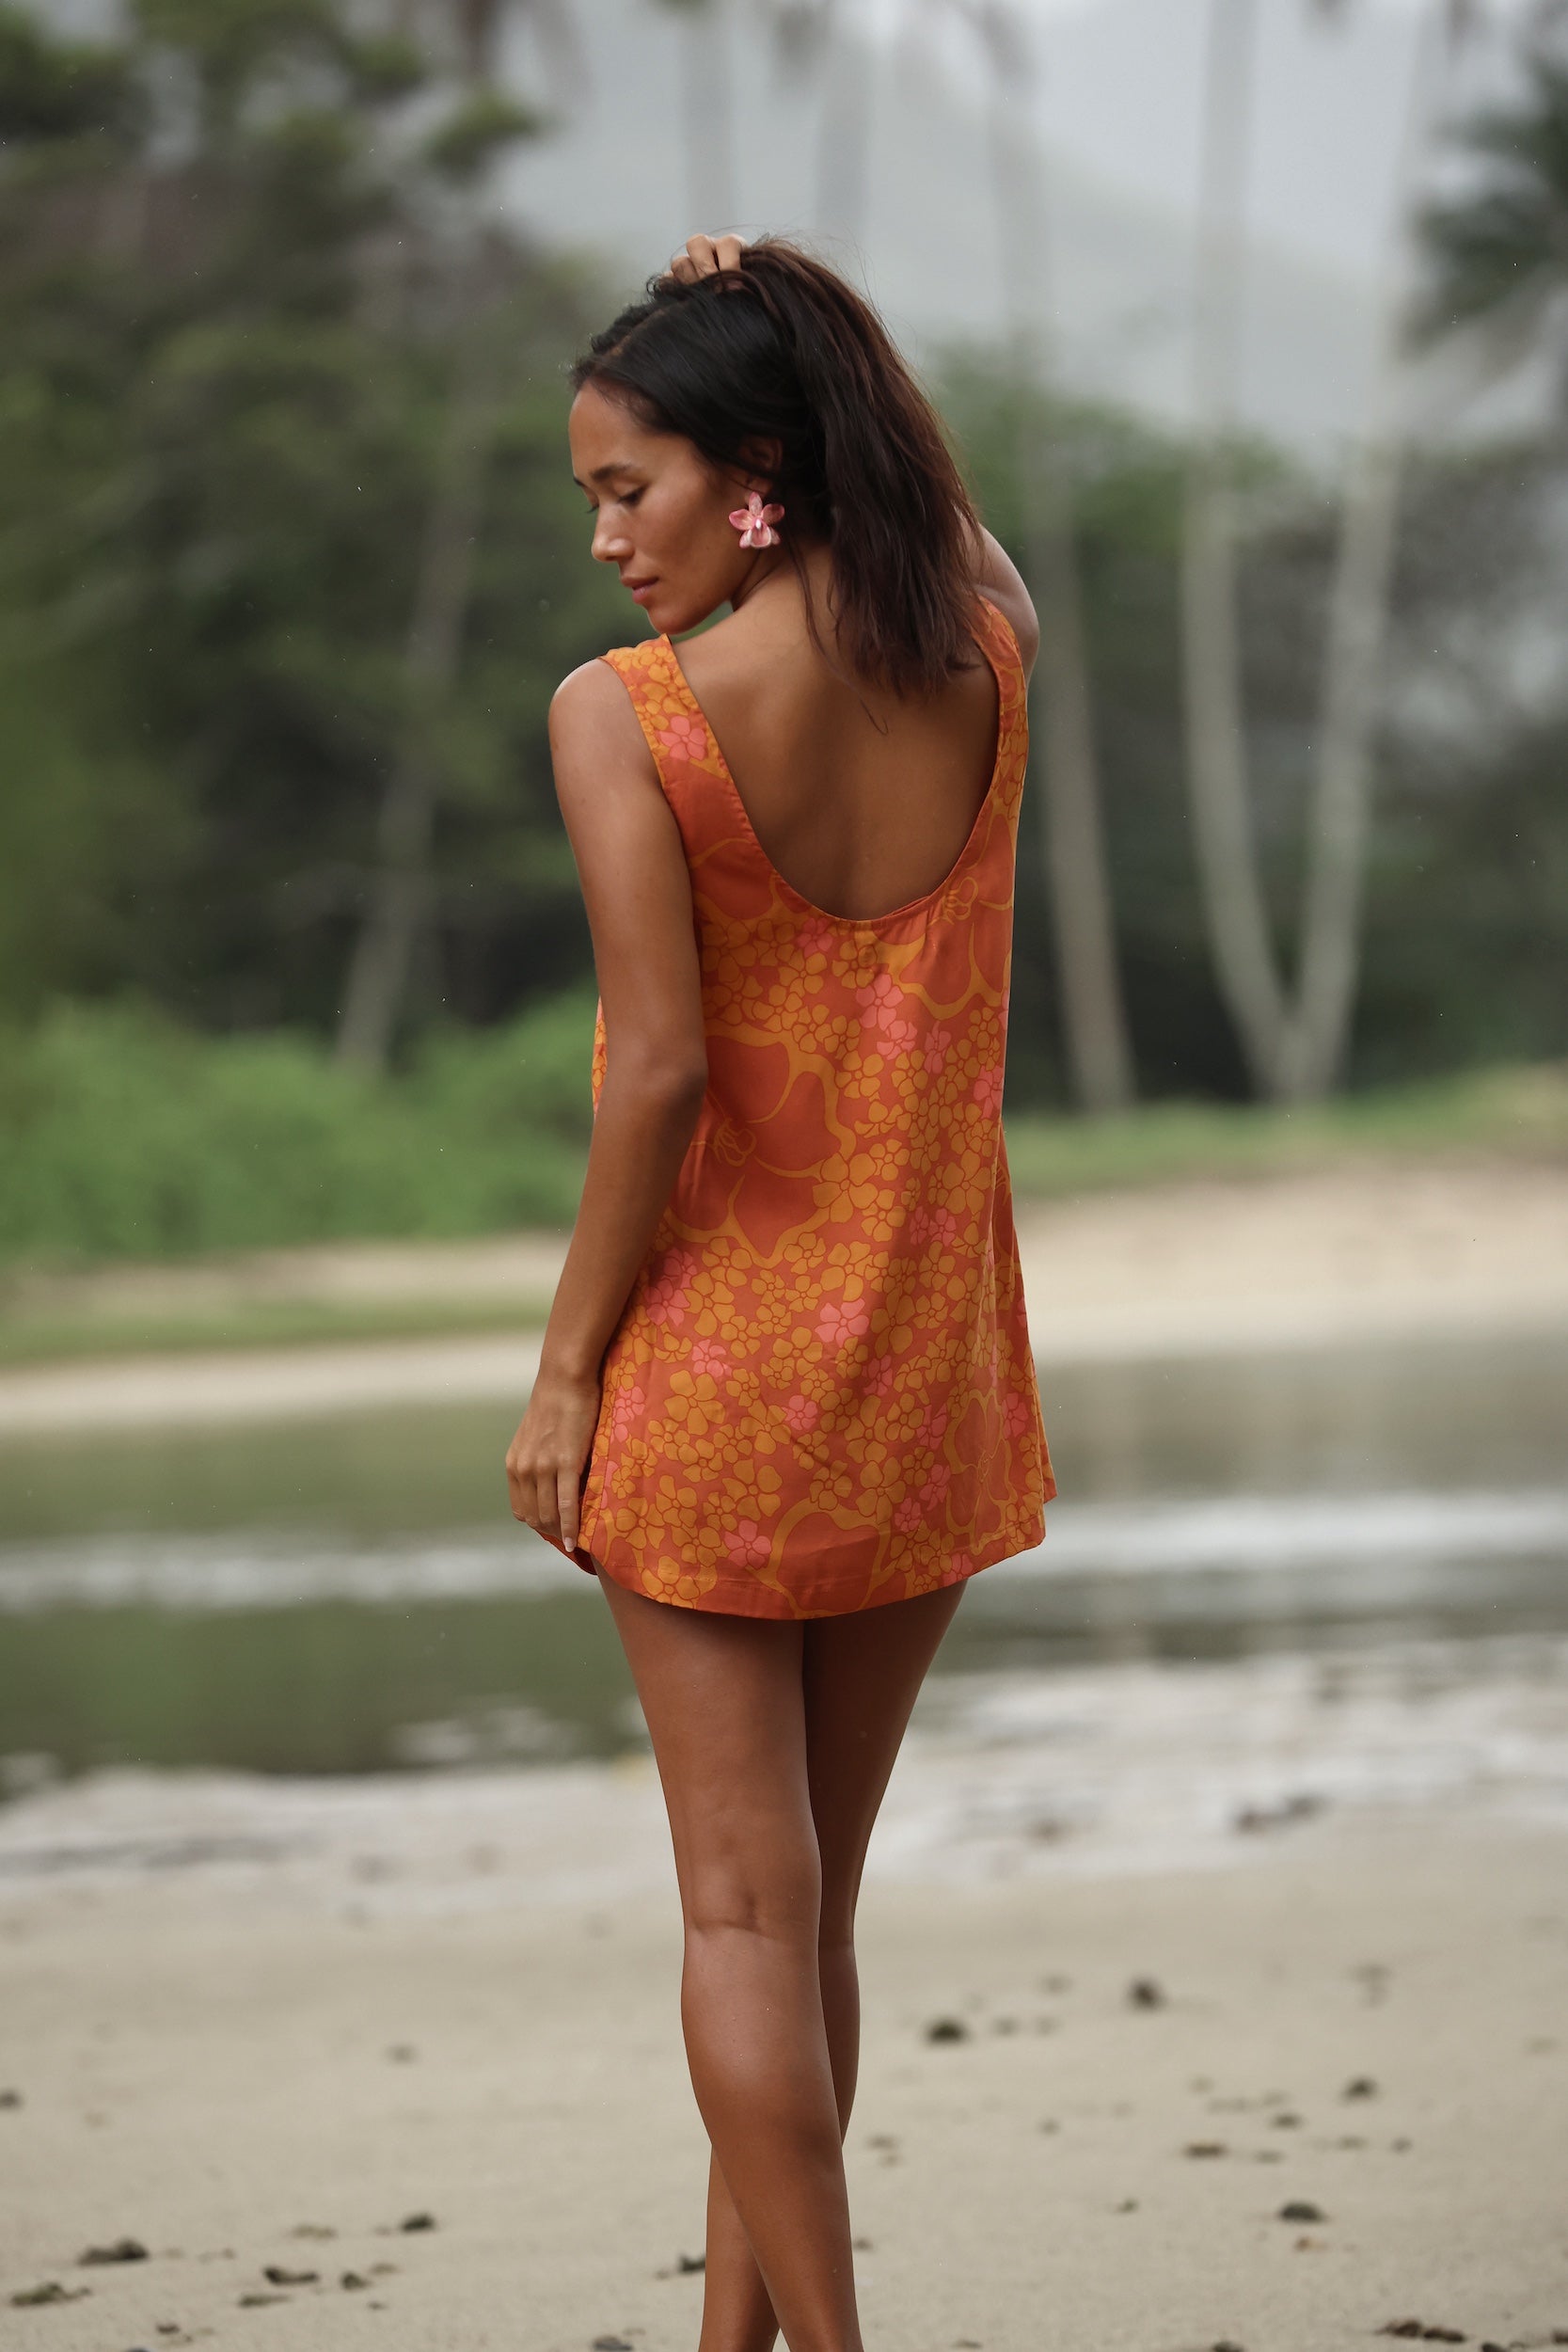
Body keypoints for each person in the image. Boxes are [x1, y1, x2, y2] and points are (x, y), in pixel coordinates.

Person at [505, 230, 1054, 2352]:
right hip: (927, 1365)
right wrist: (819, 311)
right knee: (809, 1903)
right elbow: (943, 511)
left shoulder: (629, 719)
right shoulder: (991, 653)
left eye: (625, 485)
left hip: (719, 1377)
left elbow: (652, 1072)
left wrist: (566, 1378)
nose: (600, 535)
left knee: (741, 1903)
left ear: (752, 474)